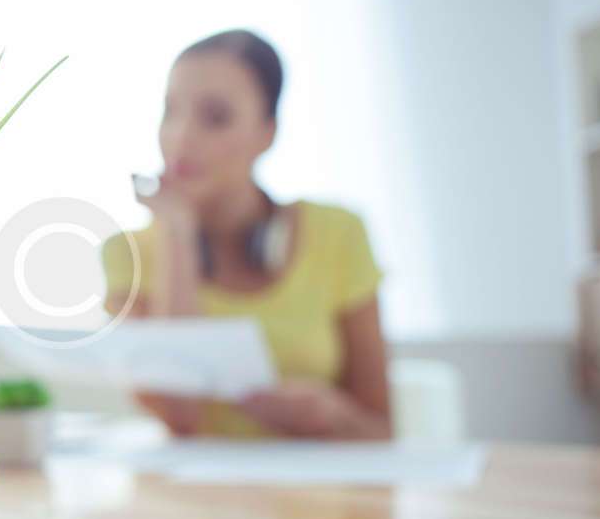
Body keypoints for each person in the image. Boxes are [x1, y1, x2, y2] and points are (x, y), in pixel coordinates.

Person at [102, 29, 391, 440]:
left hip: (321, 496)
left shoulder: (338, 233)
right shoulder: (126, 253)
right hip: (192, 500)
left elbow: (382, 430)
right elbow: (179, 415)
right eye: (171, 112)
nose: (181, 137)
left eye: (215, 118)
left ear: (267, 133)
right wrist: (177, 234)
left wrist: (332, 416)